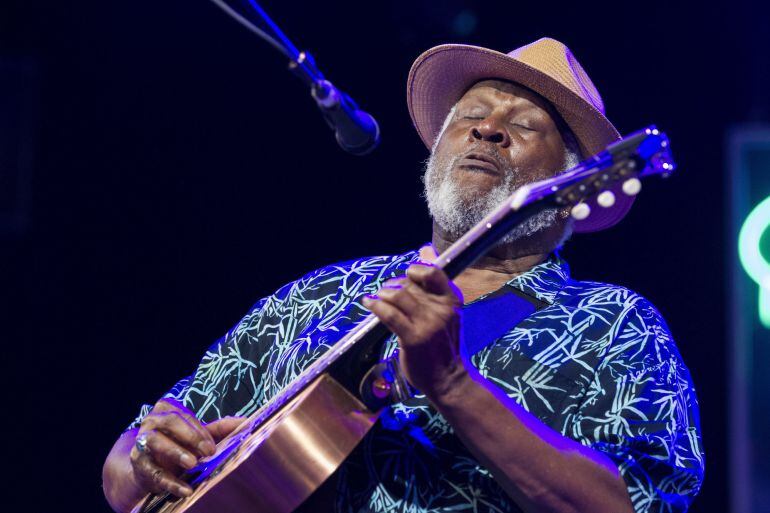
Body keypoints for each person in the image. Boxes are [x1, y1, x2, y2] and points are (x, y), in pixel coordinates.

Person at [102, 38, 704, 513]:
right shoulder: (321, 294)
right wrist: (146, 457)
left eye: (524, 126)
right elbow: (126, 462)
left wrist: (452, 383)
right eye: (470, 114)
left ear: (573, 188)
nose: (486, 130)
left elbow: (636, 504)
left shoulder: (616, 326)